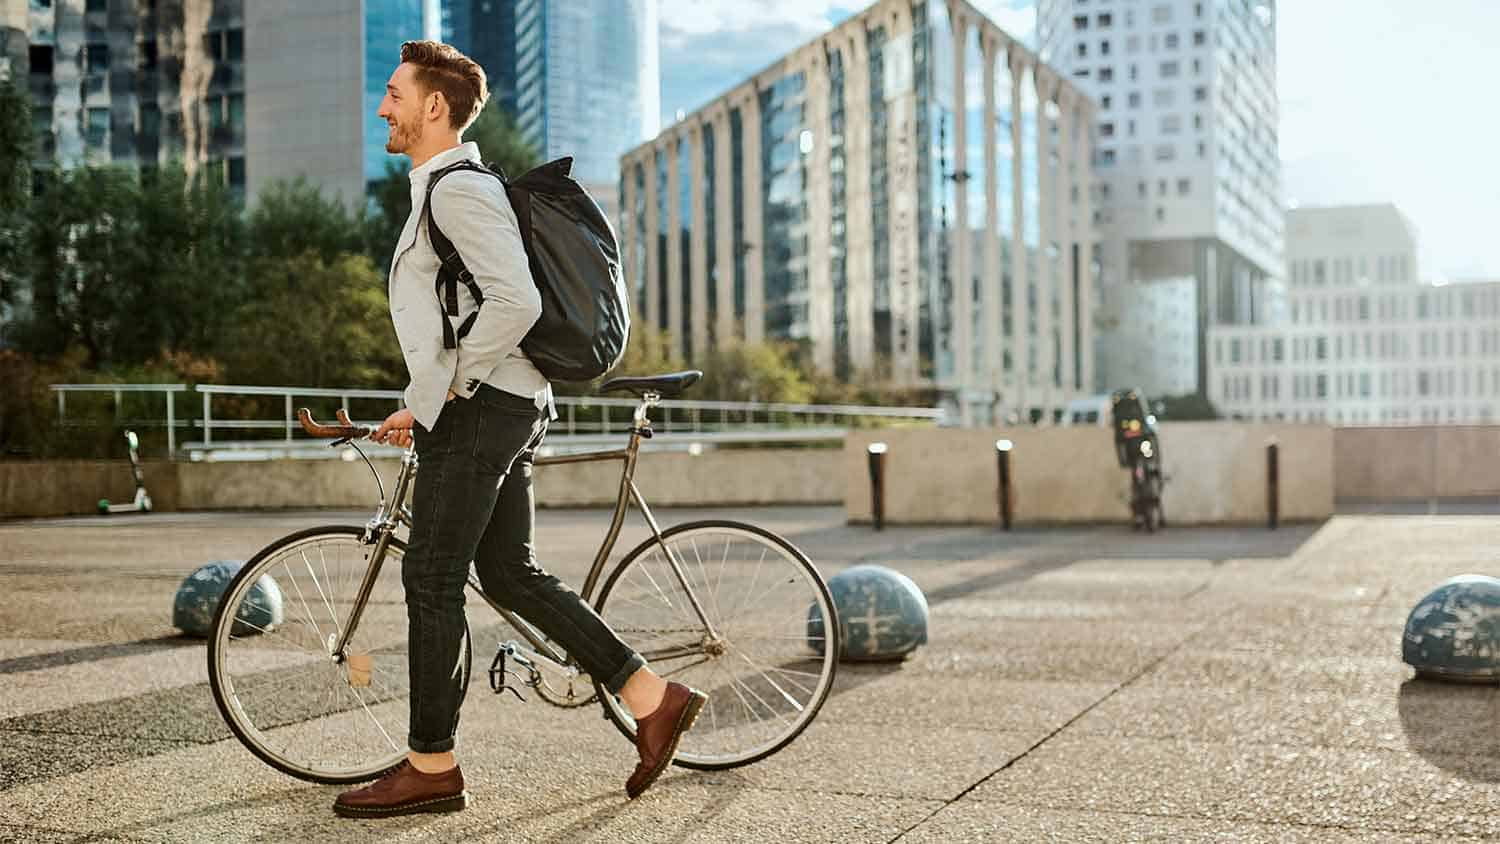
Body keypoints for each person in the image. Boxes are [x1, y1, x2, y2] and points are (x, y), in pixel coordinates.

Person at [333, 40, 706, 819]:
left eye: (395, 94)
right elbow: (466, 313)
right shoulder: (447, 189)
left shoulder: (457, 191)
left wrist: (452, 391)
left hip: (485, 411)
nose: (383, 107)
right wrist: (421, 400)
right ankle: (651, 696)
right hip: (502, 404)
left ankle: (431, 766)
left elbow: (515, 305)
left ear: (435, 106)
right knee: (507, 575)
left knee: (431, 578)